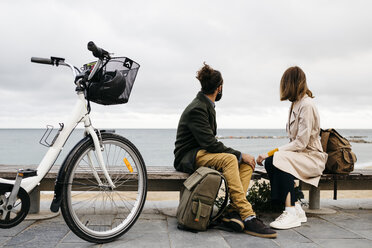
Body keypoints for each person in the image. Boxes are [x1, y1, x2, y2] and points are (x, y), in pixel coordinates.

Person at [174, 63, 277, 238]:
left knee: (246, 163)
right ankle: (248, 215)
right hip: (188, 156)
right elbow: (210, 143)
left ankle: (232, 212)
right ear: (219, 87)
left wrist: (242, 157)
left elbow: (210, 144)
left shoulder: (206, 104)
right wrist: (238, 154)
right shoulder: (197, 108)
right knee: (232, 159)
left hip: (202, 152)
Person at [256, 66, 328, 230]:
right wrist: (270, 156)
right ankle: (295, 207)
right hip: (301, 156)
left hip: (312, 157)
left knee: (278, 159)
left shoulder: (307, 105)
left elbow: (301, 143)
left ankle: (290, 212)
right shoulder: (296, 104)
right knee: (270, 162)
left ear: (291, 84)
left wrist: (269, 152)